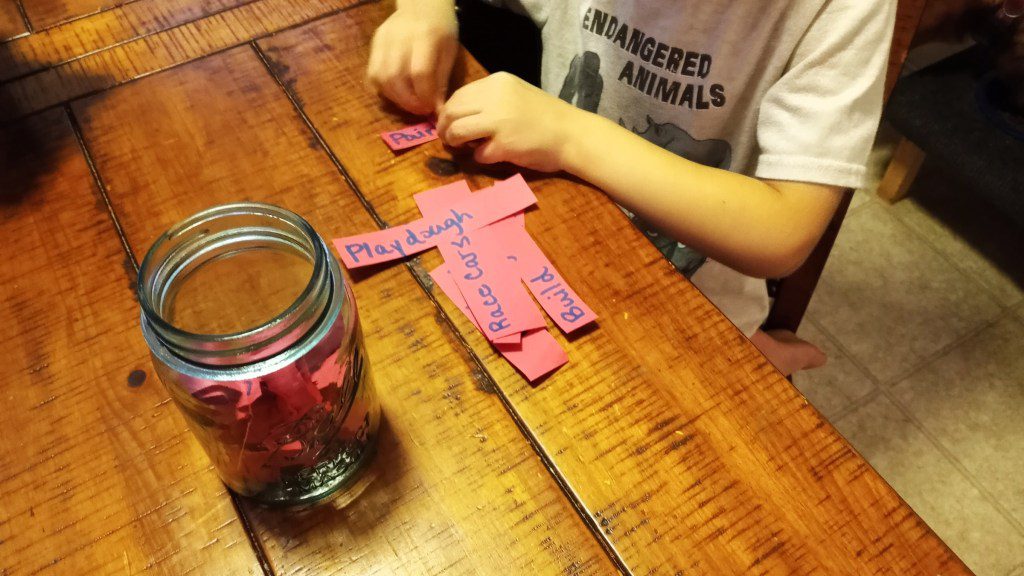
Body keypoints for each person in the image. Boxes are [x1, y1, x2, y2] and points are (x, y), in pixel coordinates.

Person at [367, 0, 897, 376]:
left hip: (694, 308)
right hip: (555, 251)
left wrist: (569, 135)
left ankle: (761, 349)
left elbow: (785, 233)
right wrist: (424, 10)